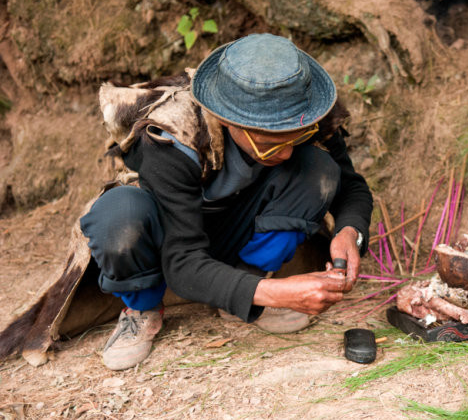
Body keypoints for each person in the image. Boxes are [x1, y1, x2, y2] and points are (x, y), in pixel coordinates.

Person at [80, 33, 373, 371]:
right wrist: (279, 294)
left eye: (296, 138)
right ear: (228, 119)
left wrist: (350, 231)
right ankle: (142, 307)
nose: (287, 152)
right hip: (169, 237)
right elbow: (182, 262)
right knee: (119, 216)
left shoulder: (308, 109)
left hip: (240, 226)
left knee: (318, 168)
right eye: (267, 144)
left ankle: (249, 281)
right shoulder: (170, 134)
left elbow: (351, 186)